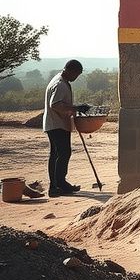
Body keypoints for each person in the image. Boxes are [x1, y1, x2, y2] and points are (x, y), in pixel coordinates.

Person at [43, 60, 89, 197]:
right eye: (76, 74)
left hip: (55, 124)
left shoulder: (60, 80)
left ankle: (57, 185)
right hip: (57, 124)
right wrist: (75, 108)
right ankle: (58, 185)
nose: (76, 78)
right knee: (63, 153)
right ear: (70, 71)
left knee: (56, 155)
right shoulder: (60, 84)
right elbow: (55, 105)